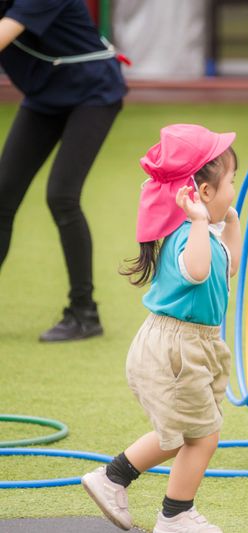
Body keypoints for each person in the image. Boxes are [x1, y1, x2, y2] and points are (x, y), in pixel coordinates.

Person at [81, 124, 241, 533]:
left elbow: (227, 270)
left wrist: (230, 223)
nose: (234, 191)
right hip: (176, 347)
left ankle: (116, 480)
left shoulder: (199, 232)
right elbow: (198, 269)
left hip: (190, 345)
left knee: (185, 434)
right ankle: (173, 514)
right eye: (231, 184)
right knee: (200, 436)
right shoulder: (187, 234)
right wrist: (203, 223)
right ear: (203, 194)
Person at [0, 0, 127, 341]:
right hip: (45, 95)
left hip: (93, 91)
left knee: (62, 195)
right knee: (3, 194)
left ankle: (84, 313)